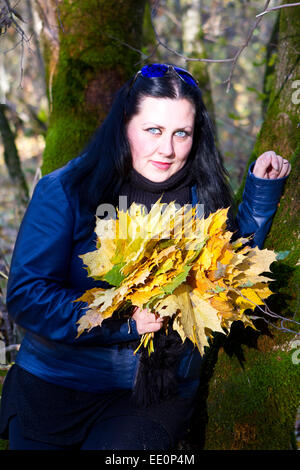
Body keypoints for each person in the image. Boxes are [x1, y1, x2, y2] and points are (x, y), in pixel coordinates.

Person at [0, 64, 291, 450]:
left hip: (150, 396)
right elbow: (27, 296)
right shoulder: (68, 191)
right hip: (54, 390)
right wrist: (124, 320)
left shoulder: (200, 196)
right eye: (153, 130)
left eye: (181, 133)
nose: (167, 149)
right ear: (124, 124)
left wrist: (261, 192)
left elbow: (228, 269)